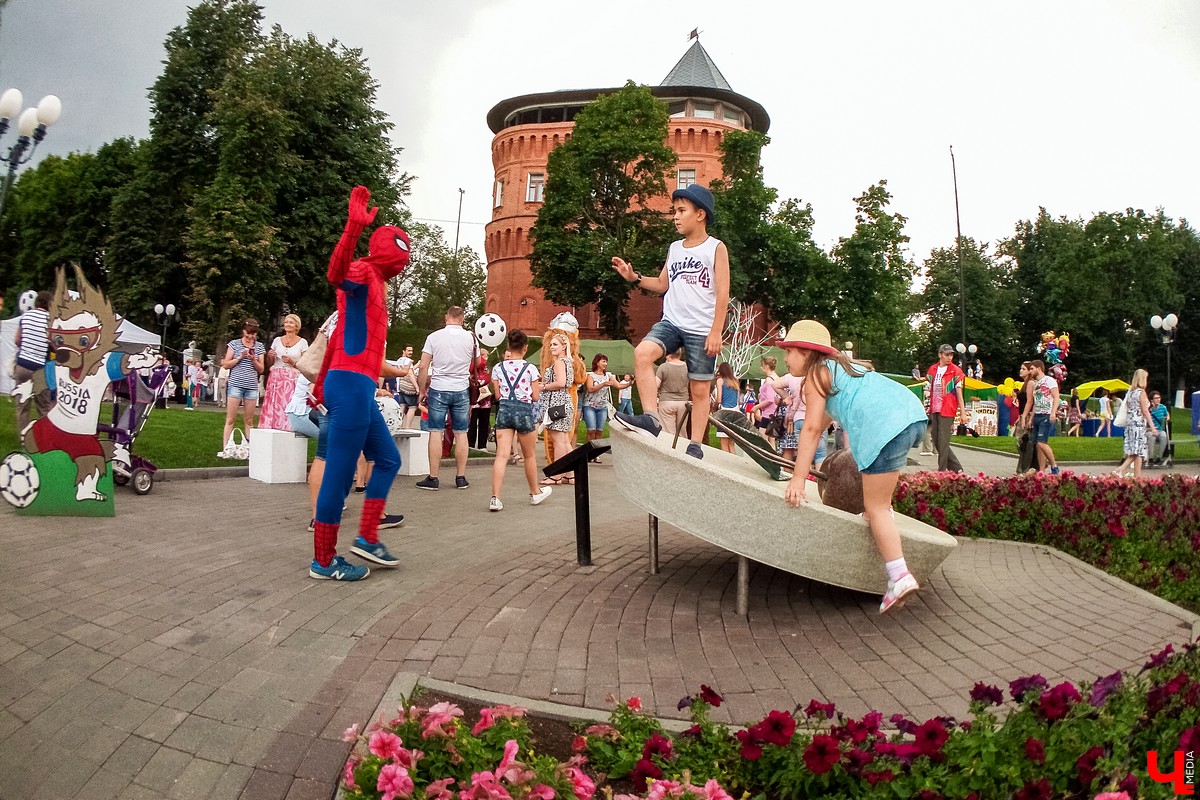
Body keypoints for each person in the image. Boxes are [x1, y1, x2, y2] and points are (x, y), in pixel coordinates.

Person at [777, 320, 928, 614]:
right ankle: (883, 517)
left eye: (789, 351)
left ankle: (899, 576)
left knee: (875, 508)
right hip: (911, 415)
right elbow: (822, 422)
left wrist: (798, 480)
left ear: (806, 353)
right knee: (879, 504)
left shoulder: (815, 376)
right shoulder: (840, 369)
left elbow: (810, 429)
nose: (785, 358)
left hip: (884, 426)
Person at [310, 186, 410, 581]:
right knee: (338, 475)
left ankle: (367, 538)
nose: (404, 256)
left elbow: (346, 343)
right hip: (351, 387)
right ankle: (323, 561)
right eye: (400, 247)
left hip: (357, 387)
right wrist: (353, 226)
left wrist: (322, 386)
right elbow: (335, 273)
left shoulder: (377, 283)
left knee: (387, 459)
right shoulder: (364, 272)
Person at [611, 184, 730, 459]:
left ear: (700, 214)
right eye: (674, 211)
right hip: (672, 322)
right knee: (642, 353)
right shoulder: (675, 248)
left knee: (699, 389)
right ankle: (651, 418)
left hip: (701, 328)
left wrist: (716, 331)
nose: (675, 216)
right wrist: (634, 278)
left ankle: (696, 444)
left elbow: (723, 292)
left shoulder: (715, 248)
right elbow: (663, 284)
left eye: (681, 211)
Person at [488, 329, 553, 511]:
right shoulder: (530, 369)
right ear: (525, 348)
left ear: (509, 346)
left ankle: (495, 498)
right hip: (524, 411)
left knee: (501, 455)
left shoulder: (498, 368)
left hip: (504, 410)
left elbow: (498, 395)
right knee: (529, 455)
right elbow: (535, 397)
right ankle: (535, 492)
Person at [415, 306, 477, 491]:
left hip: (438, 388)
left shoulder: (434, 337)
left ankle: (433, 478)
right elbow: (476, 363)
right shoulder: (471, 338)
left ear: (446, 318)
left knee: (436, 431)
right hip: (461, 389)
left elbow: (423, 366)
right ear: (462, 319)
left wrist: (421, 389)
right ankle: (461, 477)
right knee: (461, 432)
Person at [220, 318, 266, 453]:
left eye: (253, 334)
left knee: (249, 420)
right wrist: (239, 358)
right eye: (248, 334)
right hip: (235, 384)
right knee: (230, 419)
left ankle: (250, 449)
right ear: (243, 331)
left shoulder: (259, 346)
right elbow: (226, 364)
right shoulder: (234, 344)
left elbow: (261, 369)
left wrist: (253, 359)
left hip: (251, 386)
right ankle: (226, 448)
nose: (250, 337)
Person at [12, 290, 53, 434]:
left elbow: (17, 340)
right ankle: (44, 439)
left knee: (23, 406)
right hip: (40, 368)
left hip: (22, 366)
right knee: (44, 406)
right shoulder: (50, 320)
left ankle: (24, 437)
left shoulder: (26, 316)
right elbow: (53, 344)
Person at [258, 314, 309, 431]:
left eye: (291, 322)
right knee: (273, 403)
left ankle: (287, 428)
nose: (288, 325)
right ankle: (270, 427)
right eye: (286, 322)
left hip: (292, 378)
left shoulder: (303, 342)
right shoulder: (277, 340)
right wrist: (270, 356)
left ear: (297, 326)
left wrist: (292, 362)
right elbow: (270, 363)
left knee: (288, 403)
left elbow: (305, 364)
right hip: (276, 377)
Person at [538, 333, 577, 486]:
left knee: (559, 441)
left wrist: (543, 386)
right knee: (565, 441)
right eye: (551, 345)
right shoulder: (568, 362)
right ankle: (570, 474)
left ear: (564, 346)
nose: (551, 347)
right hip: (565, 402)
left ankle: (556, 475)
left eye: (555, 344)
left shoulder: (560, 362)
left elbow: (560, 383)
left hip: (557, 403)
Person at [925, 344, 966, 473]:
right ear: (940, 355)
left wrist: (963, 413)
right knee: (936, 439)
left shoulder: (955, 371)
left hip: (947, 409)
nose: (949, 357)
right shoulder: (933, 369)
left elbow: (959, 394)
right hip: (934, 409)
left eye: (951, 355)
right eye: (947, 355)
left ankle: (941, 471)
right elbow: (928, 388)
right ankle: (957, 468)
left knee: (943, 442)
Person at [1114, 369, 1159, 478]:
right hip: (1138, 424)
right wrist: (1152, 427)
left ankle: (1137, 476)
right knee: (1138, 451)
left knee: (1137, 451)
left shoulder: (1131, 392)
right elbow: (1145, 411)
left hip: (1130, 423)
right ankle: (1120, 469)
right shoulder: (1141, 392)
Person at [1020, 360, 1060, 475]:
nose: (1030, 371)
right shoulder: (1036, 384)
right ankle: (1041, 471)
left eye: (1032, 369)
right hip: (1037, 414)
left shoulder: (1049, 380)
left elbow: (1056, 396)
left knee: (1042, 442)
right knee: (1038, 445)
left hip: (1046, 414)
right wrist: (1031, 418)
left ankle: (1054, 466)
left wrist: (1053, 412)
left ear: (1039, 368)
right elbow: (1035, 403)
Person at [582, 353, 618, 455]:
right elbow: (590, 388)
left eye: (606, 362)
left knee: (599, 431)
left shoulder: (608, 375)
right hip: (589, 406)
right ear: (597, 363)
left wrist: (629, 383)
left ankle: (596, 454)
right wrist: (603, 384)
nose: (605, 364)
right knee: (591, 430)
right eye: (603, 361)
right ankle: (588, 453)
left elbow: (618, 385)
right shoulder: (590, 375)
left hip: (602, 407)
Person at [655, 348, 690, 437]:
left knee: (668, 433)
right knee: (682, 431)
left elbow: (655, 385)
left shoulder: (663, 367)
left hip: (666, 402)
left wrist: (656, 400)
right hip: (683, 402)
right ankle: (682, 445)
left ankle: (669, 446)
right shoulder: (687, 367)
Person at [711, 362, 740, 453]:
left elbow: (719, 399)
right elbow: (738, 400)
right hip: (735, 412)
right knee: (731, 443)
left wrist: (714, 407)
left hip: (724, 411)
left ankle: (726, 460)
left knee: (724, 442)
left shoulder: (720, 381)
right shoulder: (735, 381)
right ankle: (734, 460)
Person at [469, 348, 493, 450]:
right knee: (472, 422)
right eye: (483, 356)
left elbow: (489, 379)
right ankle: (470, 443)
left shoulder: (488, 368)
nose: (485, 358)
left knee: (484, 422)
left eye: (486, 356)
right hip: (474, 398)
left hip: (485, 398)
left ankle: (482, 445)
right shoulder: (472, 366)